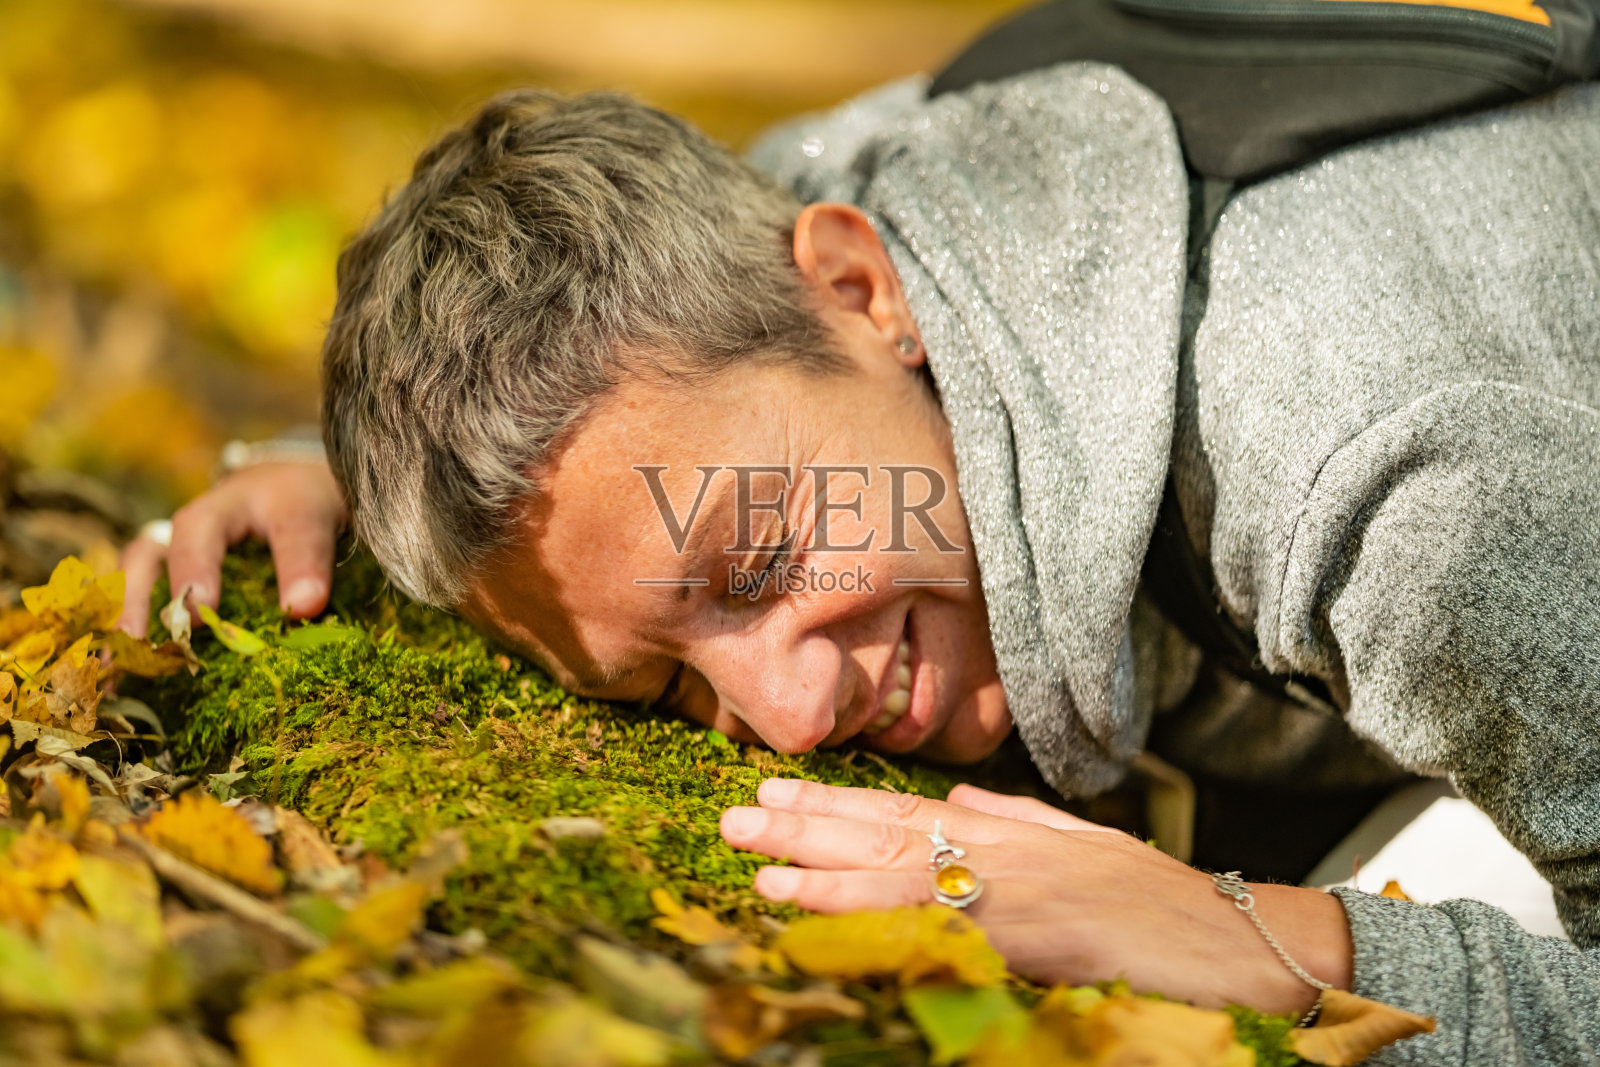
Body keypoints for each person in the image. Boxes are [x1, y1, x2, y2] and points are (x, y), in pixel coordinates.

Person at [119, 58, 1600, 1063]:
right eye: (669, 683)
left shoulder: (1398, 499)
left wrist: (1258, 937)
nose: (787, 717)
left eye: (758, 561)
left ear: (856, 285)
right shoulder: (816, 253)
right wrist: (326, 474)